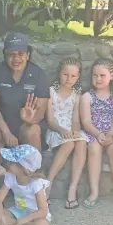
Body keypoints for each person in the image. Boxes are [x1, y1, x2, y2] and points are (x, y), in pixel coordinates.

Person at [0, 33, 50, 163]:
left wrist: (30, 120)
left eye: (20, 54)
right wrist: (6, 131)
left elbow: (41, 110)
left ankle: (31, 177)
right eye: (11, 54)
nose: (16, 58)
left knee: (33, 131)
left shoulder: (38, 74)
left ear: (28, 55)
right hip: (1, 122)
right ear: (5, 55)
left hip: (26, 124)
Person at [78, 58, 113, 209]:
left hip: (112, 134)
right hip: (93, 133)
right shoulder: (87, 97)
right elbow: (86, 121)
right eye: (95, 75)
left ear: (111, 76)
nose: (98, 79)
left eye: (102, 75)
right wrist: (98, 134)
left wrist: (110, 135)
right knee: (94, 148)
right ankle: (94, 192)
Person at [43, 57, 88, 209]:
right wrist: (62, 130)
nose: (69, 79)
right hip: (56, 129)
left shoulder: (77, 94)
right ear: (59, 74)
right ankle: (48, 182)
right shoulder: (51, 92)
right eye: (65, 75)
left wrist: (76, 130)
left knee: (81, 141)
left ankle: (72, 189)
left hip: (70, 128)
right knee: (69, 145)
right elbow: (50, 120)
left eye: (73, 76)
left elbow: (75, 118)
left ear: (78, 77)